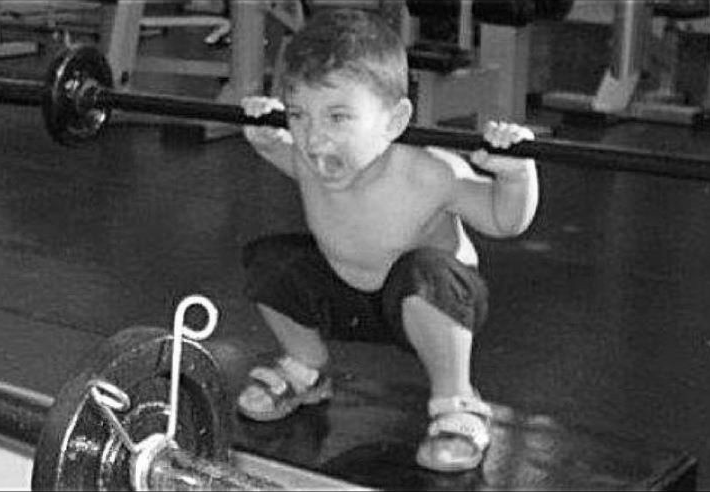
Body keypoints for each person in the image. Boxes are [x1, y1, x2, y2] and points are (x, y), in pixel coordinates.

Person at [237, 7, 538, 473]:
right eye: (299, 114)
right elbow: (279, 148)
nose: (314, 139)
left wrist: (517, 175)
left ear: (394, 121)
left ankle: (457, 402)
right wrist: (265, 134)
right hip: (350, 298)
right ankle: (305, 368)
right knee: (271, 262)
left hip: (434, 305)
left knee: (424, 274)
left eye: (338, 117)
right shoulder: (309, 159)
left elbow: (505, 221)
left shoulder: (430, 173)